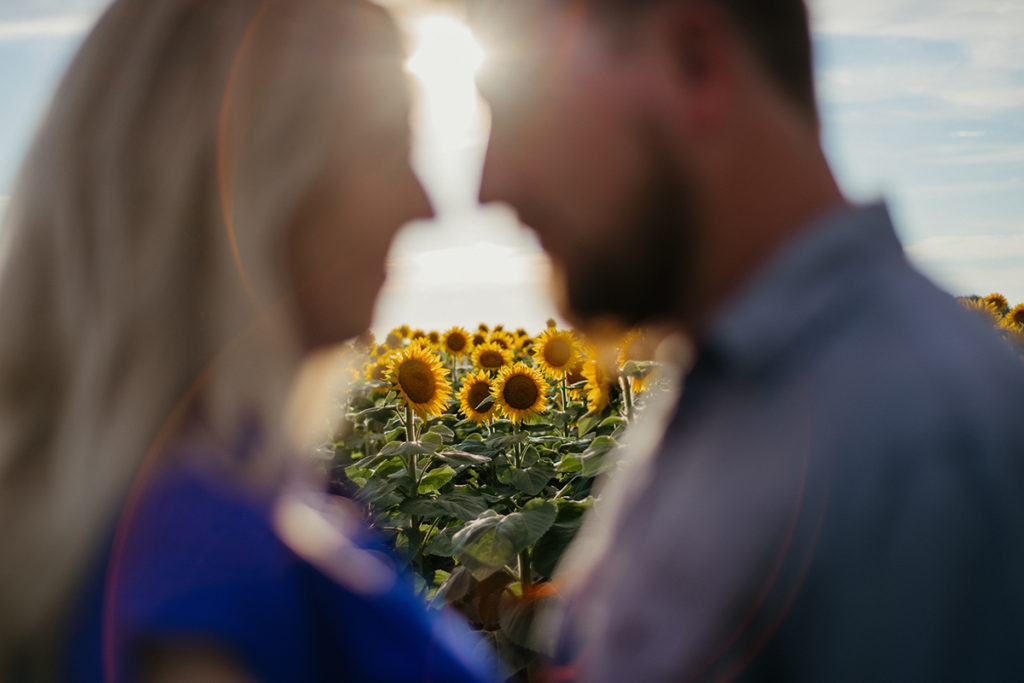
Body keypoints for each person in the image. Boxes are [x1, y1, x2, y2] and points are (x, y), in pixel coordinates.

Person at [469, 0, 1024, 680]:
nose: (489, 183)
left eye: (517, 110)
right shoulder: (729, 381)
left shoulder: (918, 441)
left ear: (697, 64)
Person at [0, 1, 499, 681]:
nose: (425, 202)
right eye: (389, 148)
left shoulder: (228, 497)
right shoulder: (196, 548)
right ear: (258, 172)